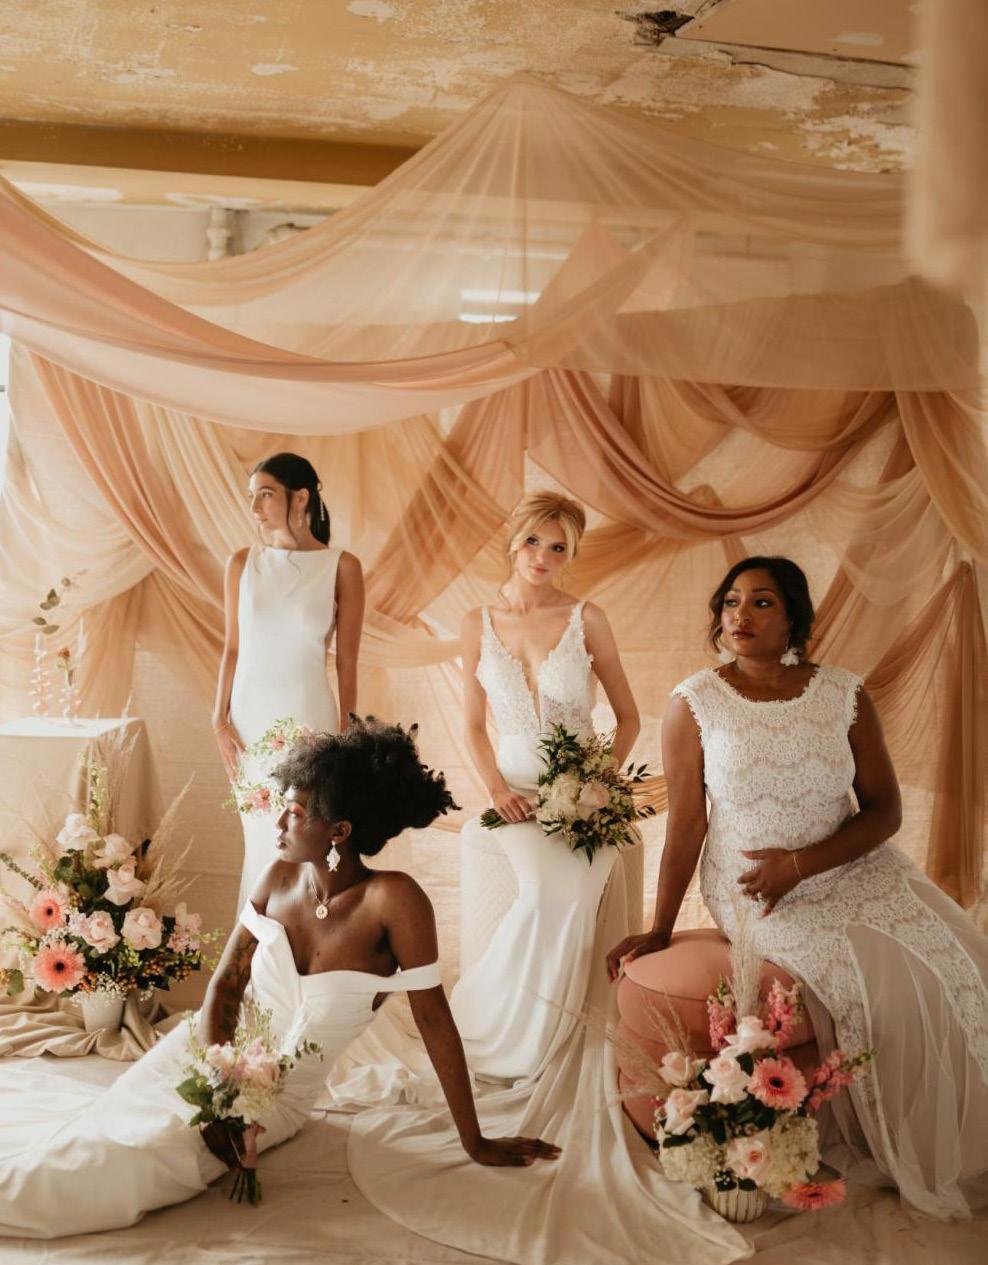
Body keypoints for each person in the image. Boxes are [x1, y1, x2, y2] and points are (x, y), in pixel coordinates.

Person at [0, 722, 560, 1239]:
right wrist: (217, 1088)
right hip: (204, 1054)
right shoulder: (278, 876)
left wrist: (474, 1140)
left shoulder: (395, 901)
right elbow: (226, 987)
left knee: (138, 1156)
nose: (278, 823)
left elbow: (434, 1019)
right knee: (94, 1133)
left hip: (275, 1098)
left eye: (294, 813)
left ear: (339, 830)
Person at [606, 555, 988, 1219]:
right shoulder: (694, 702)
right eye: (731, 602)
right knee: (873, 984)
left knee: (961, 963)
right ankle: (892, 1136)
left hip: (851, 864)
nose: (740, 615)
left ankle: (961, 1134)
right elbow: (688, 825)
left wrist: (803, 862)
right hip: (756, 887)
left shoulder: (844, 693)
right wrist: (660, 926)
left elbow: (884, 810)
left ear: (793, 619)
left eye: (761, 602)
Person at [449, 490, 640, 1081]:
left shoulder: (588, 619)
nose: (542, 556)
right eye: (533, 541)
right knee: (542, 894)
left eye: (558, 548)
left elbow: (629, 720)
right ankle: (494, 1032)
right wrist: (497, 791)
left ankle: (556, 1039)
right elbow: (473, 726)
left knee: (574, 899)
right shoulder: (476, 623)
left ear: (570, 556)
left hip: (584, 800)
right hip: (513, 795)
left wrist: (594, 788)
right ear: (513, 541)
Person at [211, 452, 364, 908]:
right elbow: (232, 648)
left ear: (300, 497)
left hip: (309, 719)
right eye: (251, 496)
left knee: (306, 836)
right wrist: (218, 719)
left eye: (265, 494)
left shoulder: (342, 566)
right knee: (262, 839)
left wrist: (347, 734)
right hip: (249, 725)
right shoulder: (242, 563)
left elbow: (348, 660)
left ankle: (306, 942)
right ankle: (258, 948)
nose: (254, 506)